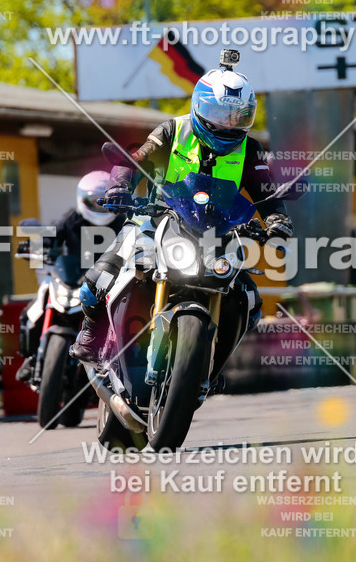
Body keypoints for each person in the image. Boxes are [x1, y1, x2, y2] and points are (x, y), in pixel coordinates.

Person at [69, 51, 294, 364]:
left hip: (219, 233)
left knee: (249, 300)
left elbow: (267, 191)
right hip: (157, 218)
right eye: (219, 112)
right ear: (200, 105)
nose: (228, 123)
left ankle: (211, 363)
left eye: (238, 114)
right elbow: (138, 160)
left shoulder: (251, 149)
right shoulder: (172, 131)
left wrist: (278, 221)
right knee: (98, 279)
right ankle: (92, 333)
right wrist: (120, 186)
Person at [15, 171, 125, 382]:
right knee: (29, 312)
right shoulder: (72, 219)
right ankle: (30, 358)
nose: (100, 206)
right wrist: (35, 245)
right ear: (82, 200)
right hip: (71, 280)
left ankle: (119, 365)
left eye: (105, 201)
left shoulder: (122, 224)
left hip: (105, 286)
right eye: (93, 201)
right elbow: (53, 236)